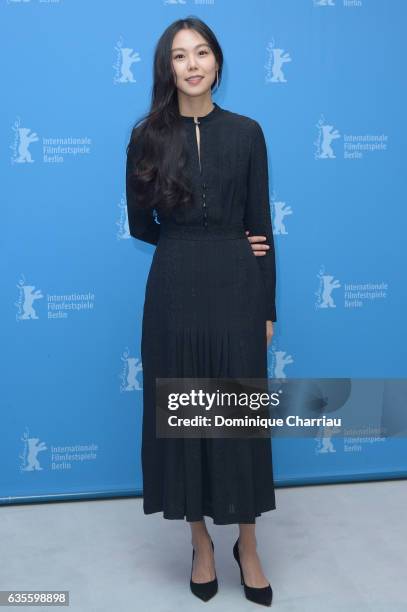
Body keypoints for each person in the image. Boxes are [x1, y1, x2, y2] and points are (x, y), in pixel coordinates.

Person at [125, 16, 277, 607]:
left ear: (217, 62)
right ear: (168, 68)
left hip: (238, 286)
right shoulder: (147, 138)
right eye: (180, 56)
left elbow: (261, 225)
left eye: (202, 53)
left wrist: (266, 305)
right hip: (175, 284)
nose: (192, 64)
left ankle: (247, 543)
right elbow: (142, 226)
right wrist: (194, 231)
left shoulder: (247, 133)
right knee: (186, 408)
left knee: (236, 413)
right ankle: (201, 544)